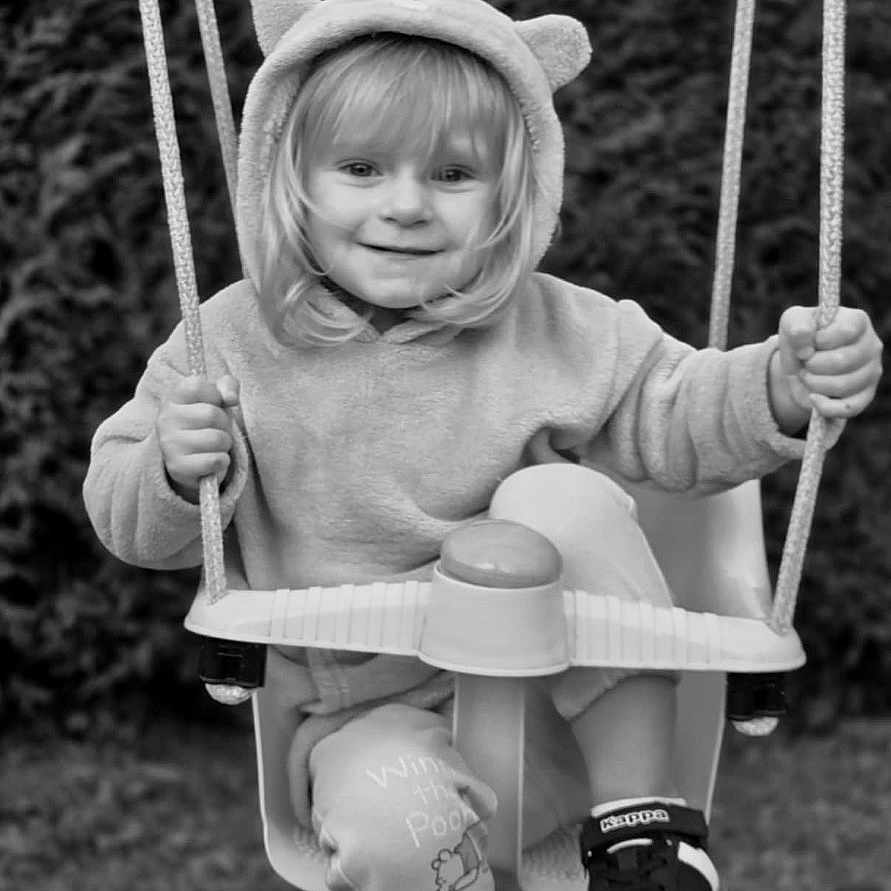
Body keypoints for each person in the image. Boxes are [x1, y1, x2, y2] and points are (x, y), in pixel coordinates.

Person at [83, 1, 883, 889]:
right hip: (371, 725)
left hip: (563, 725)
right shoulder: (230, 343)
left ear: (512, 193)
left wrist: (780, 384)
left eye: (453, 173)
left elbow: (679, 409)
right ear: (289, 176)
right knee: (390, 834)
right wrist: (171, 463)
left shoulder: (560, 328)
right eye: (360, 168)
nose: (405, 205)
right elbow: (127, 516)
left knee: (558, 500)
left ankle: (644, 832)